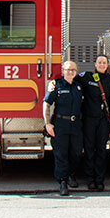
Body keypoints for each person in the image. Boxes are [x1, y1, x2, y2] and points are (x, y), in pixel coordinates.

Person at [43, 61, 85, 196]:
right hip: (60, 124)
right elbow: (47, 103)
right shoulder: (56, 85)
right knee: (61, 154)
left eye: (73, 70)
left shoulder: (79, 86)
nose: (71, 72)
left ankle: (71, 174)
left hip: (76, 124)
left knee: (76, 152)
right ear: (63, 71)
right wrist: (47, 123)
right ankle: (62, 182)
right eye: (68, 69)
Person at [78, 55, 110, 191]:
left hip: (103, 121)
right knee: (89, 150)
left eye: (104, 63)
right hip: (89, 120)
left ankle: (99, 180)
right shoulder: (87, 77)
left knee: (101, 150)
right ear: (95, 64)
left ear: (107, 65)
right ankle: (90, 179)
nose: (101, 65)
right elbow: (70, 79)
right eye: (99, 62)